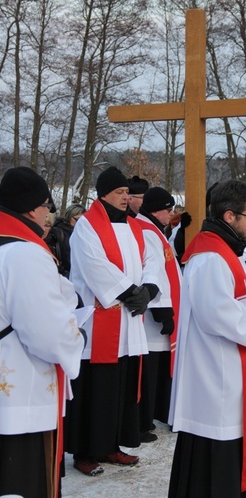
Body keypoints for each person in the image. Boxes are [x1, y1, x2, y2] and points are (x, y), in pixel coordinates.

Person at [168, 180, 246, 498]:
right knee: (216, 459)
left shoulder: (226, 249)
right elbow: (216, 315)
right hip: (217, 374)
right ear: (229, 216)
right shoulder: (210, 256)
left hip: (229, 370)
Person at [66, 166, 161, 477]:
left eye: (127, 193)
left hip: (129, 320)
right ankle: (85, 451)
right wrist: (128, 292)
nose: (125, 198)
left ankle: (111, 444)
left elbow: (152, 261)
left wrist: (147, 290)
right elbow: (94, 265)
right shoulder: (87, 227)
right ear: (103, 194)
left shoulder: (135, 227)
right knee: (95, 386)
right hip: (100, 319)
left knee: (120, 384)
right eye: (120, 192)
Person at [0, 166, 85, 498]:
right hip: (18, 395)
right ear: (34, 208)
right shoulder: (25, 252)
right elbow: (47, 333)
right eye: (47, 206)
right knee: (21, 482)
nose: (48, 213)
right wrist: (76, 340)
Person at [136, 187, 182, 442]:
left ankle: (152, 414)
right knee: (149, 371)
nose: (171, 214)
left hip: (160, 314)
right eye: (168, 209)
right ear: (155, 210)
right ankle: (143, 420)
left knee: (158, 369)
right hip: (151, 319)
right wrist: (161, 308)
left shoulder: (153, 229)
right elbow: (152, 270)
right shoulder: (146, 231)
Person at [45, 203, 86, 278]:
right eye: (77, 220)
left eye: (83, 221)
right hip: (63, 276)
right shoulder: (57, 232)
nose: (80, 223)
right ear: (69, 217)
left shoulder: (83, 234)